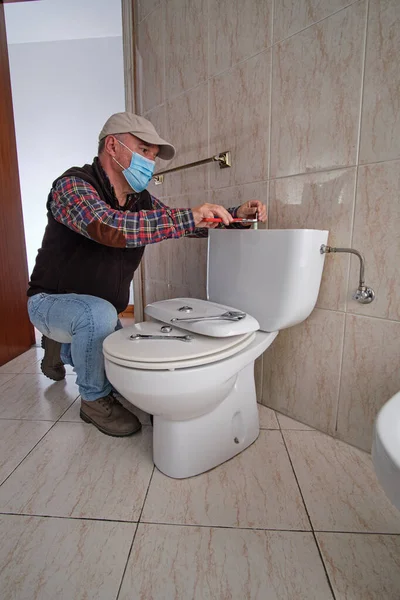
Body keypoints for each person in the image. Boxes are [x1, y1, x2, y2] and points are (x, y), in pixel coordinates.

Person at [27, 112, 267, 437]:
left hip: (99, 308)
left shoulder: (139, 200)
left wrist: (234, 215)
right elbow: (108, 226)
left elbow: (178, 223)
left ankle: (63, 347)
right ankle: (93, 401)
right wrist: (188, 217)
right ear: (113, 146)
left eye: (153, 155)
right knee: (97, 320)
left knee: (114, 352)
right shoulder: (73, 186)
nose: (150, 162)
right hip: (50, 301)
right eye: (144, 150)